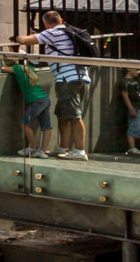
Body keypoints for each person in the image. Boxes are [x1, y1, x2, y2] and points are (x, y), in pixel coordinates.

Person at [13, 11, 89, 160]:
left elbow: (27, 40)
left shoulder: (53, 32)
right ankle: (63, 147)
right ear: (61, 19)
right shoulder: (67, 31)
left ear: (46, 24)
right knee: (62, 114)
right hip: (77, 77)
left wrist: (18, 38)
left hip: (68, 79)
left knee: (74, 115)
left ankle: (80, 151)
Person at [9, 56, 55, 158]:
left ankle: (32, 148)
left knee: (24, 122)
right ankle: (42, 151)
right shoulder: (31, 68)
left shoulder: (17, 68)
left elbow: (0, 69)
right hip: (44, 99)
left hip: (36, 100)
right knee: (47, 126)